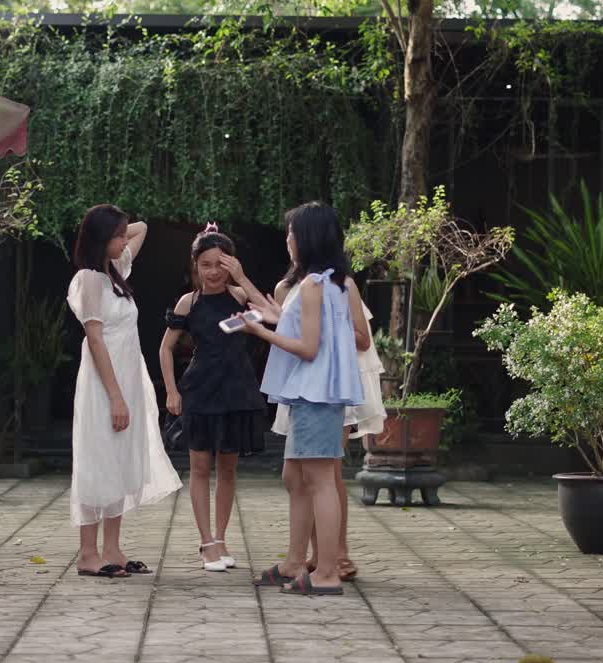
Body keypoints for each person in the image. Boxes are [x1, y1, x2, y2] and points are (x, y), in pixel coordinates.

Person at [221, 254, 378, 584]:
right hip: (304, 389)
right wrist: (272, 316)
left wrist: (260, 331)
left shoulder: (328, 284)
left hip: (318, 389)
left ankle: (329, 567)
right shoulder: (303, 285)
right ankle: (298, 562)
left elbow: (313, 344)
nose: (289, 243)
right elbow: (303, 329)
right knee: (296, 476)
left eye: (293, 234)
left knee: (322, 479)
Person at [66, 204, 182, 578]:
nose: (123, 241)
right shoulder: (88, 280)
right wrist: (115, 395)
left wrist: (114, 230)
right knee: (96, 458)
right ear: (101, 239)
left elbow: (143, 226)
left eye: (121, 235)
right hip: (104, 385)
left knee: (119, 459)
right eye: (116, 236)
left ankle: (113, 548)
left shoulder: (114, 272)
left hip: (128, 380)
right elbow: (96, 341)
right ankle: (88, 552)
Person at [159, 224, 266, 573]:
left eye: (221, 264)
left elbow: (270, 312)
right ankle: (206, 543)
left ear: (231, 264)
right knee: (201, 468)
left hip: (237, 389)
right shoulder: (188, 302)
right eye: (206, 264)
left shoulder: (239, 296)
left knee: (229, 469)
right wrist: (172, 391)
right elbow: (165, 348)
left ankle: (221, 539)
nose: (214, 271)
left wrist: (243, 277)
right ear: (195, 265)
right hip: (201, 390)